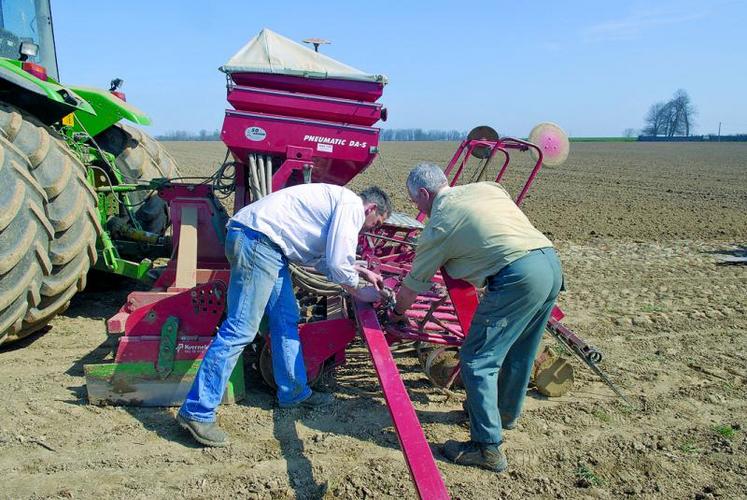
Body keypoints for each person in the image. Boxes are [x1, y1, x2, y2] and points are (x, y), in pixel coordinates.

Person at [178, 183, 392, 447]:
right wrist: (360, 292)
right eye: (376, 222)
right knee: (240, 329)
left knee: (285, 319)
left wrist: (360, 271)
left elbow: (320, 261)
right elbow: (337, 265)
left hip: (268, 247)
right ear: (370, 208)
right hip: (258, 242)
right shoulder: (351, 205)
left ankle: (293, 392)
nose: (370, 228)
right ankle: (197, 411)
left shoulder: (339, 202)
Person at [389, 163, 562, 472]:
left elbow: (414, 283)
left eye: (415, 200)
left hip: (516, 276)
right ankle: (503, 415)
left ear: (426, 194)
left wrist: (397, 312)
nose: (416, 206)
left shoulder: (439, 224)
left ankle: (487, 449)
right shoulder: (487, 187)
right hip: (549, 262)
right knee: (519, 350)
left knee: (477, 358)